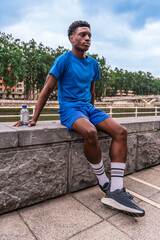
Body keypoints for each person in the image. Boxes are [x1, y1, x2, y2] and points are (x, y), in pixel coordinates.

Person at [13, 20, 145, 217]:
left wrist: (93, 112)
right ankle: (104, 183)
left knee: (121, 132)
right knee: (90, 132)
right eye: (82, 35)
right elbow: (46, 90)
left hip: (88, 108)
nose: (87, 38)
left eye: (89, 35)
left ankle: (116, 189)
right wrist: (34, 118)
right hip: (69, 109)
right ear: (71, 38)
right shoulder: (63, 60)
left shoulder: (93, 64)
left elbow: (91, 91)